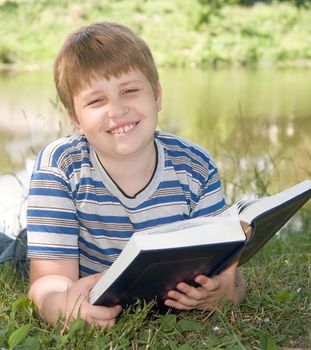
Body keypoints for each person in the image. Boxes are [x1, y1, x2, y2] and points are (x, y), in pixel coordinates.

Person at [27, 21, 247, 329]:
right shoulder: (60, 167)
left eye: (129, 90)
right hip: (69, 249)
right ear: (76, 119)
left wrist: (225, 292)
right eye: (96, 100)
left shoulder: (195, 166)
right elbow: (47, 281)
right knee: (12, 252)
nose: (117, 110)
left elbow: (226, 270)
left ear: (156, 95)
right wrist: (61, 305)